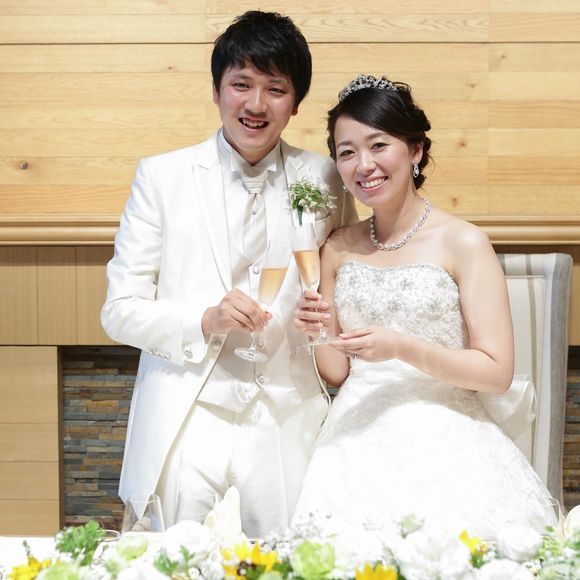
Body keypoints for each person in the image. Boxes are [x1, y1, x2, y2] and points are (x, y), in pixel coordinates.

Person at [100, 11, 357, 538]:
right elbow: (119, 311)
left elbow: (342, 283)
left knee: (295, 560)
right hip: (189, 408)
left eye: (275, 88)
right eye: (241, 84)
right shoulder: (161, 177)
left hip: (289, 408)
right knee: (175, 560)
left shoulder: (327, 176)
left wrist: (325, 318)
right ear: (217, 90)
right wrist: (204, 319)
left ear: (295, 102)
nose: (256, 104)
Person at [292, 74, 556, 539]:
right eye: (347, 152)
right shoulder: (336, 247)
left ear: (415, 150)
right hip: (354, 438)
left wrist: (401, 347)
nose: (363, 165)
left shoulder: (464, 242)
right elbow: (336, 371)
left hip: (448, 434)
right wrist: (317, 328)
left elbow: (496, 372)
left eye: (378, 145)